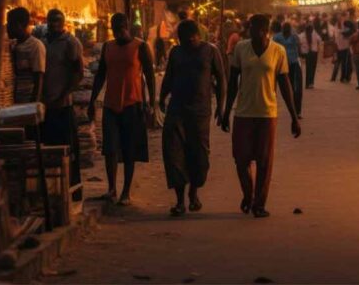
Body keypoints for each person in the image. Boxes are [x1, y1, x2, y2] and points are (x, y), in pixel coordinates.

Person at [221, 14, 301, 218]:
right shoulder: (241, 48)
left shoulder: (278, 51)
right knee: (240, 158)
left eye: (258, 30)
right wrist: (225, 111)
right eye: (251, 29)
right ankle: (248, 194)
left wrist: (294, 116)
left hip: (267, 112)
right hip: (243, 112)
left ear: (266, 31)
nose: (253, 34)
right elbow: (232, 83)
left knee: (264, 161)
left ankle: (259, 203)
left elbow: (285, 84)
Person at [158, 20, 226, 216]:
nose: (187, 44)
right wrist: (162, 97)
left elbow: (221, 79)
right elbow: (169, 76)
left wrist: (221, 108)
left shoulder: (210, 51)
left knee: (199, 155)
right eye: (183, 41)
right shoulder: (176, 52)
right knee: (174, 153)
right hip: (177, 110)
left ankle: (194, 194)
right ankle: (179, 201)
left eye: (190, 40)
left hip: (200, 112)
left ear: (197, 36)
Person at [88, 13, 156, 206]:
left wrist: (151, 102)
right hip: (111, 104)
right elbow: (101, 74)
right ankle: (111, 189)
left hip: (133, 103)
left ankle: (126, 191)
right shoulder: (108, 47)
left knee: (129, 150)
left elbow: (150, 75)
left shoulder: (140, 47)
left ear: (127, 27)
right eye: (115, 29)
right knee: (110, 149)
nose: (118, 32)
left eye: (121, 28)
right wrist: (92, 101)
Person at [41, 9, 84, 195]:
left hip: (63, 105)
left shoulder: (70, 43)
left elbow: (78, 73)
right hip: (46, 106)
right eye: (51, 21)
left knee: (68, 150)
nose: (53, 24)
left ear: (63, 22)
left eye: (57, 21)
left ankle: (72, 190)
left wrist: (63, 94)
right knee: (49, 150)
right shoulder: (42, 41)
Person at [7, 7, 45, 105]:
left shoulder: (35, 46)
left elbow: (39, 79)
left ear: (19, 25)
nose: (7, 27)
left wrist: (32, 107)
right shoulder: (13, 45)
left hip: (26, 101)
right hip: (12, 101)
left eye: (10, 24)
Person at [273, 22, 303, 118]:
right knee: (290, 87)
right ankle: (295, 111)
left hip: (292, 63)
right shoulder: (278, 37)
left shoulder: (293, 36)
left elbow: (299, 48)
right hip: (283, 64)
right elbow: (299, 48)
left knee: (295, 88)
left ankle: (296, 111)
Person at [298, 23, 322, 90]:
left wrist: (300, 52)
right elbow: (320, 40)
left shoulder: (301, 35)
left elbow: (299, 43)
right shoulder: (314, 34)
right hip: (314, 53)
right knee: (313, 68)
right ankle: (311, 83)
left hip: (306, 53)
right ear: (312, 29)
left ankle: (307, 84)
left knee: (308, 68)